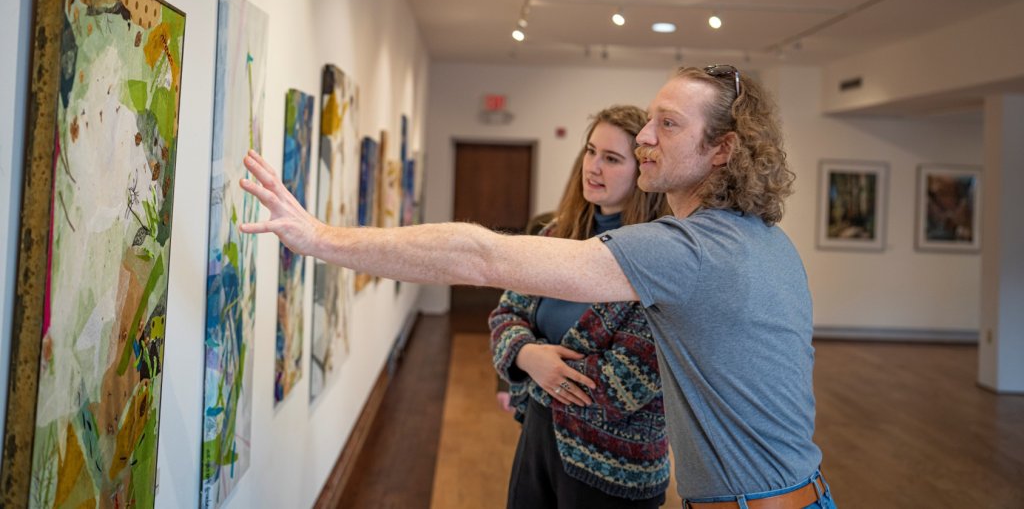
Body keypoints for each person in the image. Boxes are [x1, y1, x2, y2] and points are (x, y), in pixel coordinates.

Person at [240, 65, 837, 508]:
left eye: (669, 124)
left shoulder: (688, 251)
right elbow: (509, 312)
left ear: (723, 150)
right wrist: (527, 356)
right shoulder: (763, 240)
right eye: (649, 120)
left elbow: (480, 257)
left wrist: (321, 239)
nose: (647, 137)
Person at [490, 105, 670, 507]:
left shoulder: (659, 257)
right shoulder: (556, 236)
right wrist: (528, 354)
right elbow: (506, 314)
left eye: (611, 159)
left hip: (616, 467)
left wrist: (537, 366)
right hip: (539, 438)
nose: (593, 167)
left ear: (643, 170)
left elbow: (624, 382)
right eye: (590, 152)